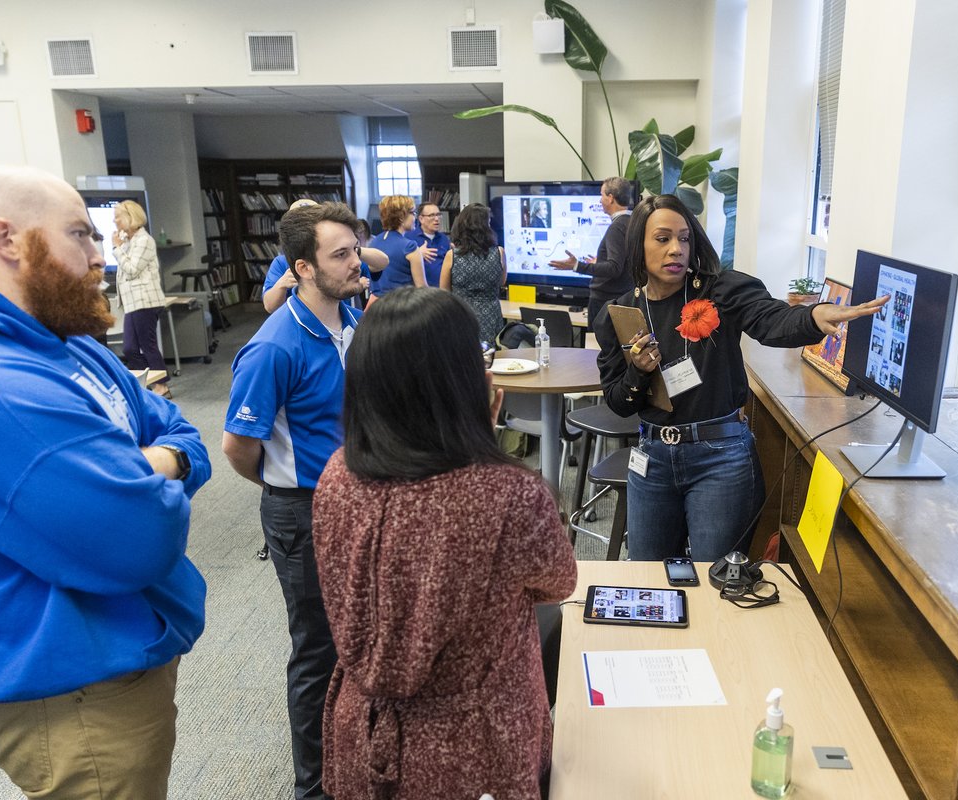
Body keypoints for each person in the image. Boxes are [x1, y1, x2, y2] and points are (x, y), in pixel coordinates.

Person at [0, 164, 210, 799]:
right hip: (72, 696)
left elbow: (183, 434)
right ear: (8, 240)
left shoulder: (67, 345)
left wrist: (154, 463)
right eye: (81, 235)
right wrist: (148, 467)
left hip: (119, 657)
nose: (101, 257)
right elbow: (139, 536)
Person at [313, 287, 578, 800]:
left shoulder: (336, 478)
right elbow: (558, 582)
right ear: (468, 384)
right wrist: (485, 431)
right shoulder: (507, 496)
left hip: (361, 732)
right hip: (472, 747)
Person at [595, 194, 888, 562]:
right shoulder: (619, 314)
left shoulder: (721, 291)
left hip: (721, 458)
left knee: (716, 582)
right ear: (638, 245)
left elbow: (771, 320)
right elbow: (619, 404)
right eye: (662, 238)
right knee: (651, 580)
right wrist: (638, 371)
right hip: (652, 459)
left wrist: (813, 316)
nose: (676, 249)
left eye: (684, 239)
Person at [222, 201, 366, 800]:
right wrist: (286, 488)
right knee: (317, 653)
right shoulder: (273, 347)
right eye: (342, 255)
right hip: (301, 511)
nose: (357, 261)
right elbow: (237, 447)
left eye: (355, 249)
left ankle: (354, 766)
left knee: (355, 643)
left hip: (354, 500)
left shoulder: (351, 318)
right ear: (302, 267)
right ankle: (315, 789)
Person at [262, 199, 386, 313]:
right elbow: (270, 306)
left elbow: (382, 262)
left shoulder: (349, 258)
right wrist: (281, 285)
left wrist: (350, 250)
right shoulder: (281, 263)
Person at [549, 177, 634, 325]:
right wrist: (599, 262)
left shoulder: (617, 227)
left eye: (601, 195)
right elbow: (624, 262)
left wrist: (576, 266)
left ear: (610, 198)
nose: (600, 200)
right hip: (621, 298)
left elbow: (614, 268)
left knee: (594, 346)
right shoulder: (632, 222)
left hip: (605, 301)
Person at [112, 199, 171, 398]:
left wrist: (117, 248)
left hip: (145, 301)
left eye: (118, 217)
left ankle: (161, 386)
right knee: (129, 348)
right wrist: (121, 246)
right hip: (132, 303)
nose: (115, 221)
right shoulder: (129, 241)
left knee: (148, 346)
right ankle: (146, 384)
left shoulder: (144, 240)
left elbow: (132, 270)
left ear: (130, 217)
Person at [440, 202, 506, 345]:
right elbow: (501, 282)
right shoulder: (499, 253)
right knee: (491, 358)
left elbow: (444, 291)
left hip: (460, 315)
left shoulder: (451, 256)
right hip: (491, 315)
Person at [367, 195, 425, 297]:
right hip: (402, 306)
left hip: (377, 307)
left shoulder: (374, 242)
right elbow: (423, 290)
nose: (415, 217)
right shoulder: (410, 247)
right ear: (401, 217)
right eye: (413, 212)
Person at [409, 200, 452, 286]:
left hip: (441, 291)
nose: (436, 219)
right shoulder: (409, 238)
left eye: (438, 215)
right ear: (421, 219)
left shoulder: (444, 239)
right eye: (431, 215)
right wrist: (417, 254)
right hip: (418, 292)